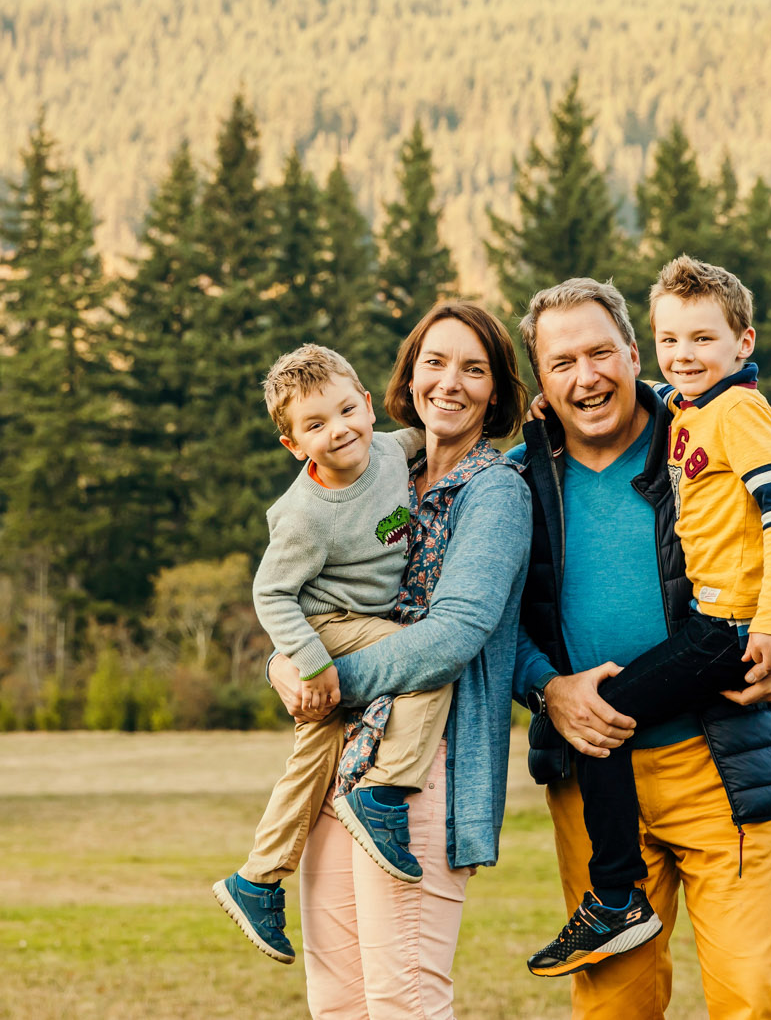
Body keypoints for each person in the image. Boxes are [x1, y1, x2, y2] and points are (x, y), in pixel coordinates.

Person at [526, 259, 771, 980]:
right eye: (560, 361)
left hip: (719, 760)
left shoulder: (706, 423)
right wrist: (547, 686)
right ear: (540, 380)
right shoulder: (520, 477)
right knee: (613, 1005)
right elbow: (484, 616)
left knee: (751, 994)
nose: (585, 375)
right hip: (596, 780)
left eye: (601, 352)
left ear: (632, 357)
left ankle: (623, 897)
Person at [263, 302, 533, 1020]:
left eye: (473, 368)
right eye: (435, 362)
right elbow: (317, 595)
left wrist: (328, 681)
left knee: (402, 999)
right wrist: (286, 662)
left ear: (497, 392)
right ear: (409, 375)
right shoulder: (378, 467)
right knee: (340, 999)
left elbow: (452, 635)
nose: (450, 382)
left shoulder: (497, 489)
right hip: (340, 759)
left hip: (422, 771)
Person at [212, 344, 450, 965]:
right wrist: (309, 662)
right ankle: (384, 795)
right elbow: (270, 592)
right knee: (430, 655)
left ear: (368, 405)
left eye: (347, 410)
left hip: (362, 622)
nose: (338, 429)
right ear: (295, 445)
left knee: (314, 751)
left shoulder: (397, 451)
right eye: (315, 425)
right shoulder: (304, 516)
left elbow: (455, 435)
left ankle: (258, 879)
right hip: (328, 624)